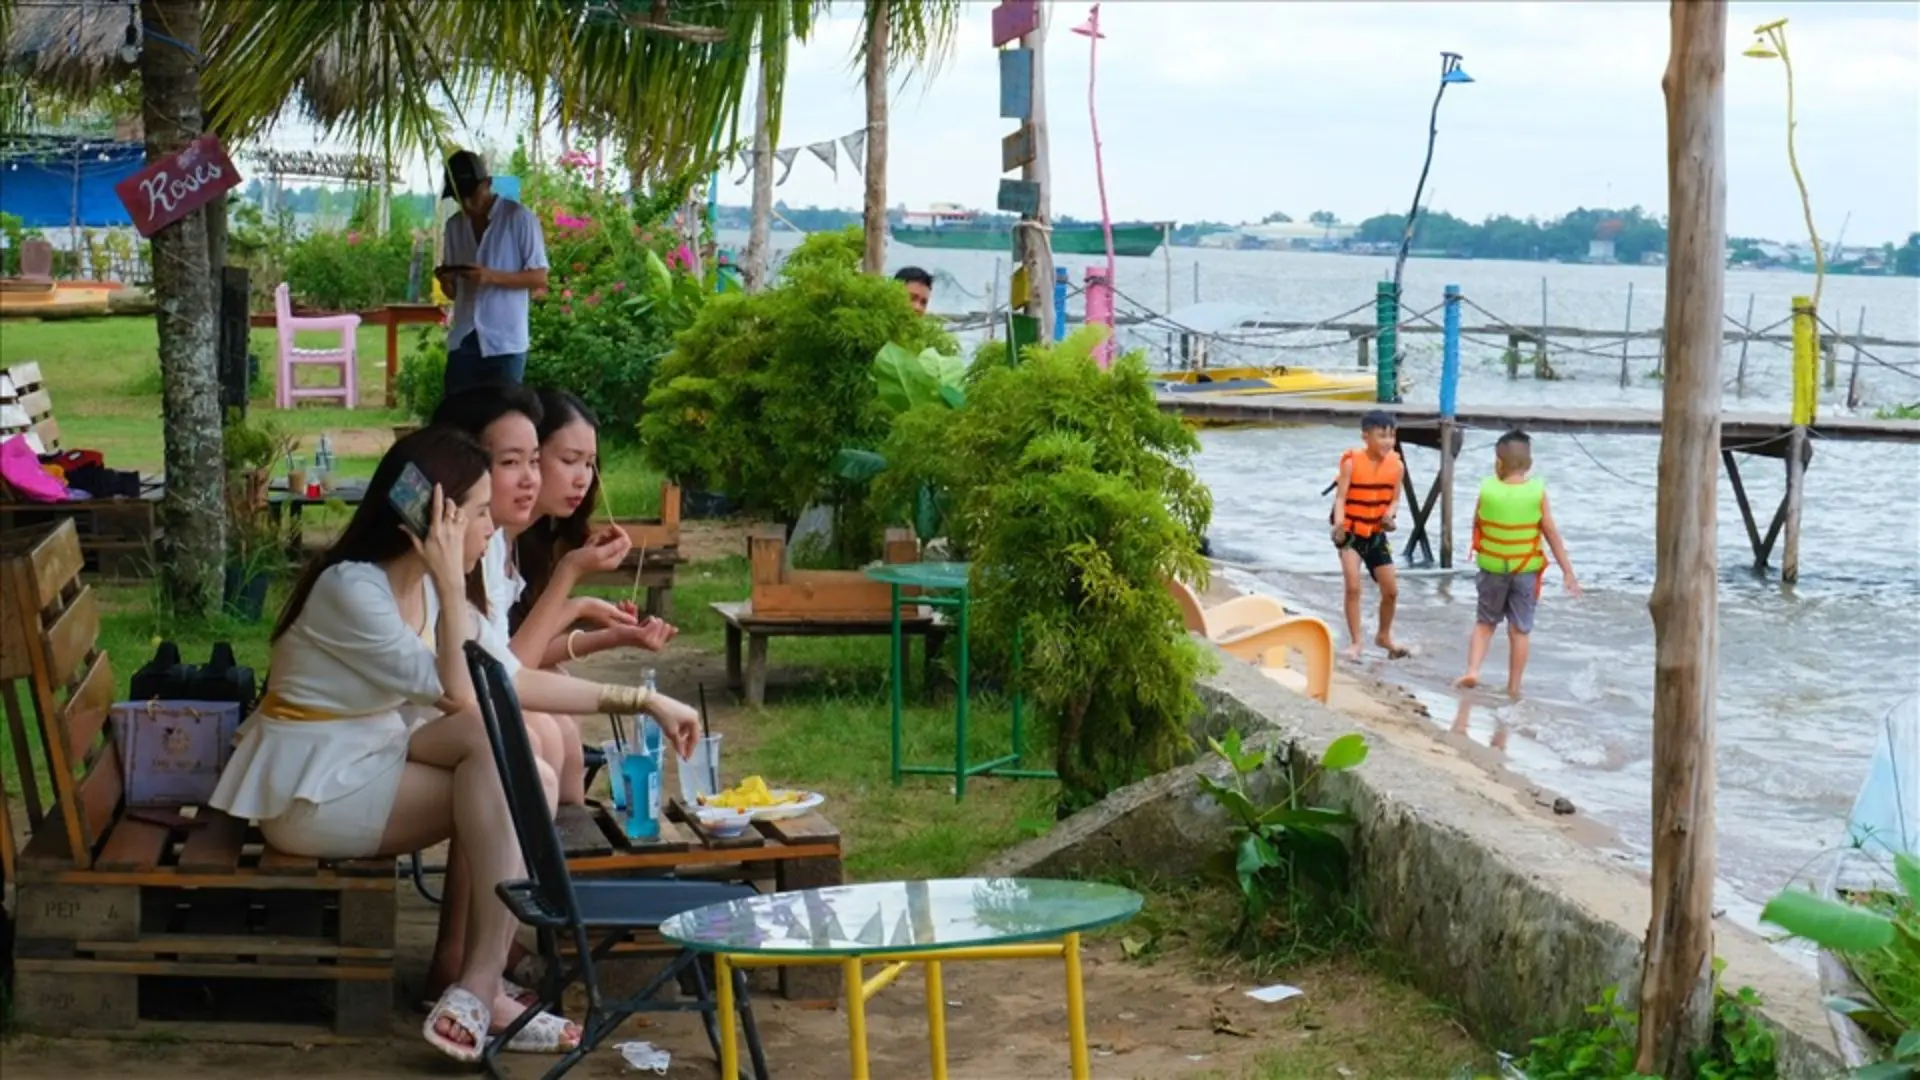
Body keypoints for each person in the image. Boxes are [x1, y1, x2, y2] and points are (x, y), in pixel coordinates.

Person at [207, 427, 700, 1062]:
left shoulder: (435, 592)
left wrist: (646, 701)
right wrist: (446, 582)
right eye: (476, 514)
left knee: (532, 774)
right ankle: (480, 985)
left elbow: (513, 678)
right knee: (501, 748)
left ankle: (477, 985)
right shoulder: (352, 589)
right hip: (313, 794)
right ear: (431, 521)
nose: (490, 528)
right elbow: (466, 697)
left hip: (374, 761)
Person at [1455, 430, 1580, 699]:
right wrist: (1568, 571)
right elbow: (1551, 532)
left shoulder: (1487, 489)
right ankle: (1514, 688)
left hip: (1492, 569)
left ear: (1498, 462)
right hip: (1525, 570)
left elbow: (1476, 523)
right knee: (1519, 630)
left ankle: (1474, 670)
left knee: (1485, 623)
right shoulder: (1537, 493)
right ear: (1529, 464)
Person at [435, 149, 549, 394]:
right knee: (456, 421)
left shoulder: (519, 218)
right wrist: (446, 281)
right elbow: (454, 293)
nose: (466, 204)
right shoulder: (454, 226)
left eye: (471, 195)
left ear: (487, 183)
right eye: (459, 197)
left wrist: (490, 276)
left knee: (503, 421)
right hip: (464, 337)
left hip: (505, 342)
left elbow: (539, 276)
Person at [1328, 410, 1409, 661]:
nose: (1388, 441)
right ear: (1366, 436)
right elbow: (1340, 498)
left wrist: (1390, 517)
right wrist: (1339, 525)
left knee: (1391, 591)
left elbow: (1395, 499)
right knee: (1353, 587)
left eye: (1392, 436)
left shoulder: (1397, 466)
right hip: (1350, 534)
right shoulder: (1351, 463)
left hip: (1375, 534)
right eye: (1382, 435)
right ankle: (1355, 643)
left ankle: (1383, 636)